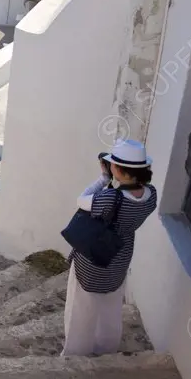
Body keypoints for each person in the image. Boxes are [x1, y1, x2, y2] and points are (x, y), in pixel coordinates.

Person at [63, 139, 158, 356]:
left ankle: (75, 353)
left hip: (92, 262)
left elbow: (81, 200)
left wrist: (104, 178)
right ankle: (106, 349)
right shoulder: (150, 195)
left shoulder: (110, 198)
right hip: (120, 258)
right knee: (111, 308)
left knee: (81, 310)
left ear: (118, 169)